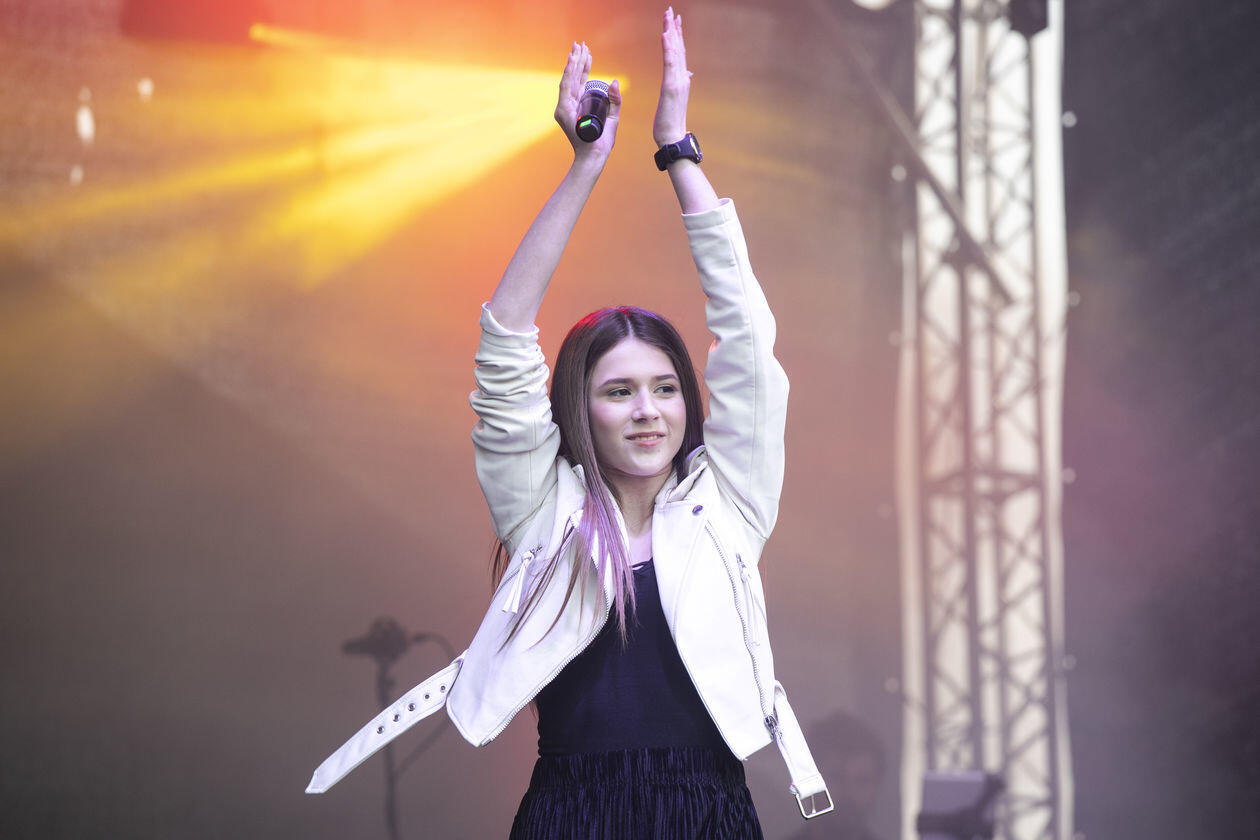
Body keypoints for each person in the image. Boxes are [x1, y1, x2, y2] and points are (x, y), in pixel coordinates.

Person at [305, 8, 829, 836]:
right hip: (572, 815)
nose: (648, 410)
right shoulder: (545, 511)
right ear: (580, 409)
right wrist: (585, 167)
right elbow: (505, 341)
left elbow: (748, 339)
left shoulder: (729, 503)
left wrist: (677, 151)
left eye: (665, 388)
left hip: (709, 812)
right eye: (619, 392)